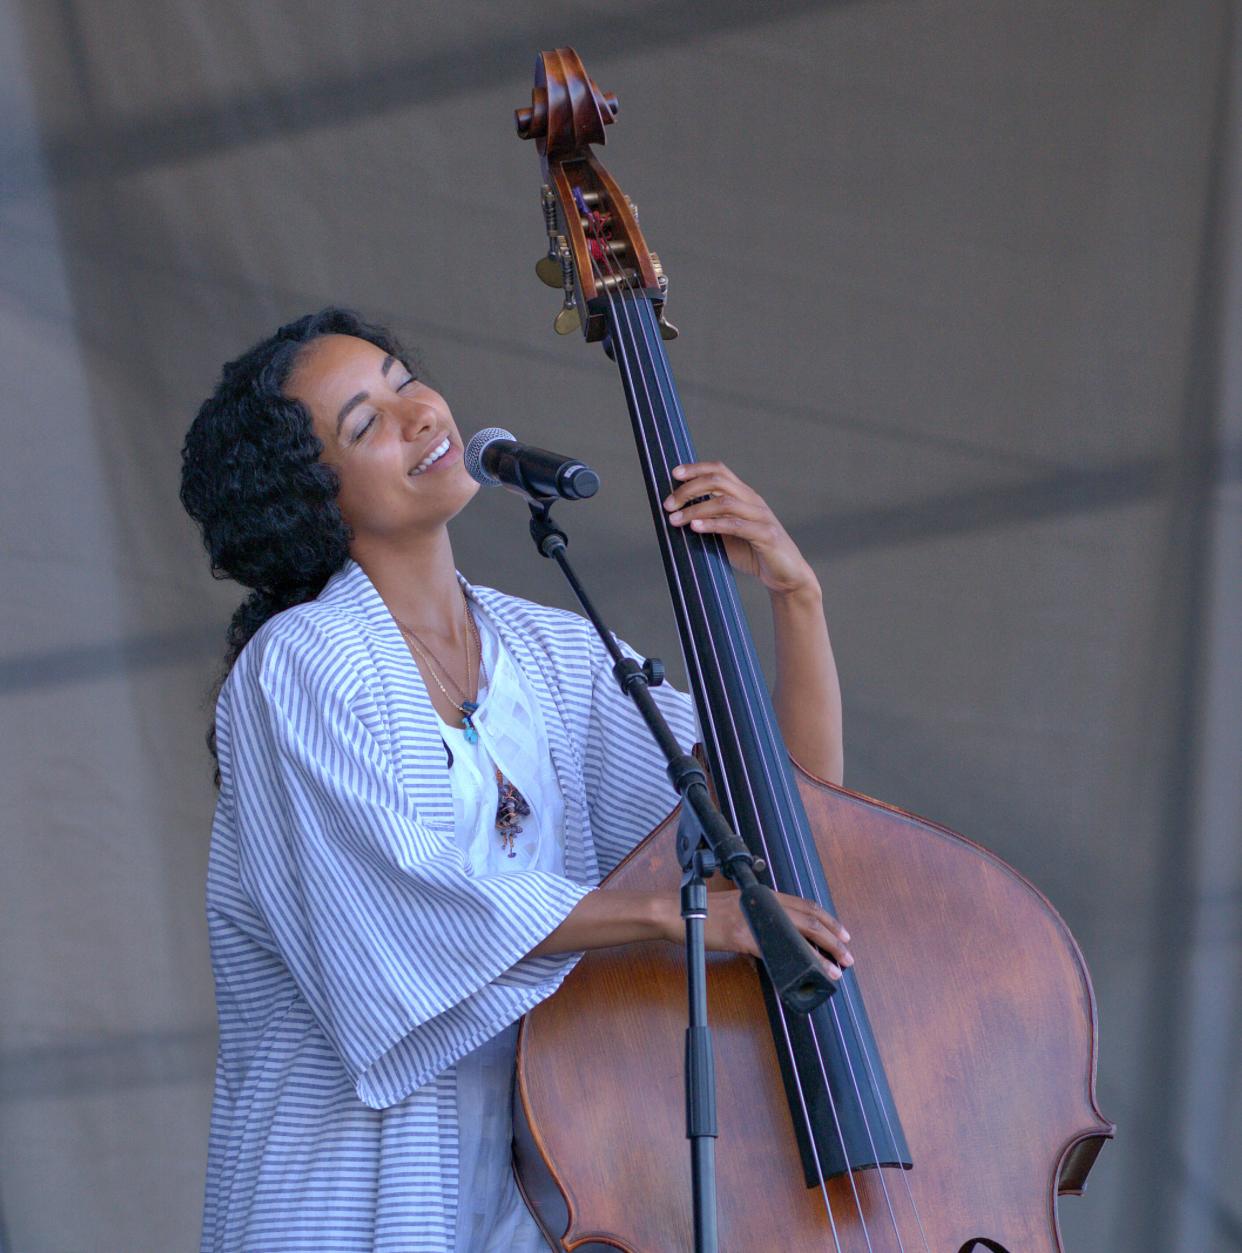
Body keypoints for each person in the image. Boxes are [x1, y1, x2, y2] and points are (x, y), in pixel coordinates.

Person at [180, 307, 850, 1252]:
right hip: (352, 1183)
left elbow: (783, 810)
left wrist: (795, 595)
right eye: (365, 423)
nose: (418, 414)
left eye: (404, 377)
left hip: (538, 1177)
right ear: (309, 499)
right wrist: (670, 913)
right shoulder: (299, 664)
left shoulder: (549, 649)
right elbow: (403, 912)